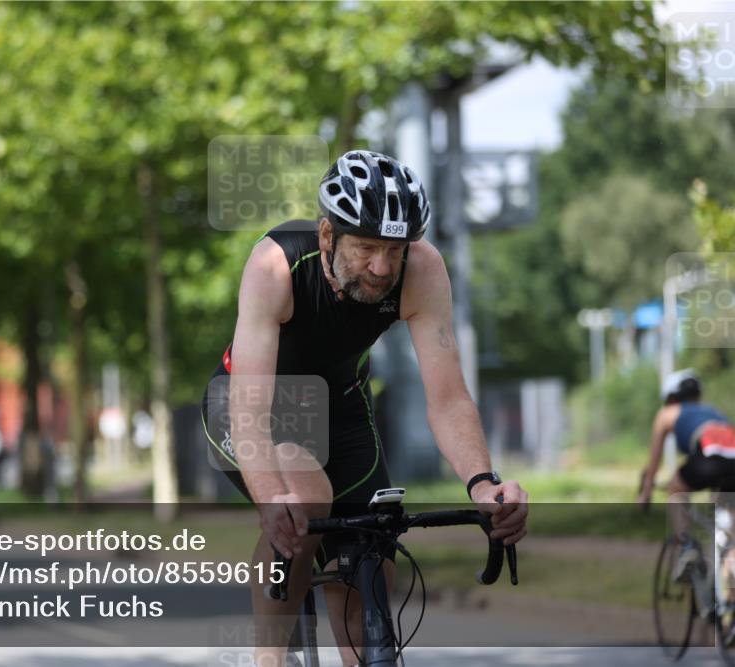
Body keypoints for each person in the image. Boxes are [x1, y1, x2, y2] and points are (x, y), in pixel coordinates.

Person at [201, 150, 529, 667]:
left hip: (344, 406)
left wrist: (484, 484)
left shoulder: (420, 269)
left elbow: (448, 399)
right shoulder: (276, 264)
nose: (381, 267)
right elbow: (250, 410)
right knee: (304, 501)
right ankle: (268, 658)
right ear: (328, 235)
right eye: (366, 248)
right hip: (250, 403)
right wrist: (272, 502)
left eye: (393, 250)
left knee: (372, 553)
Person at [638, 369, 735, 570]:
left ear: (671, 398)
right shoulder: (715, 412)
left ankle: (687, 546)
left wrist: (646, 492)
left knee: (676, 489)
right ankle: (728, 594)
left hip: (708, 458)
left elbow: (654, 461)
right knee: (727, 528)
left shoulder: (667, 413)